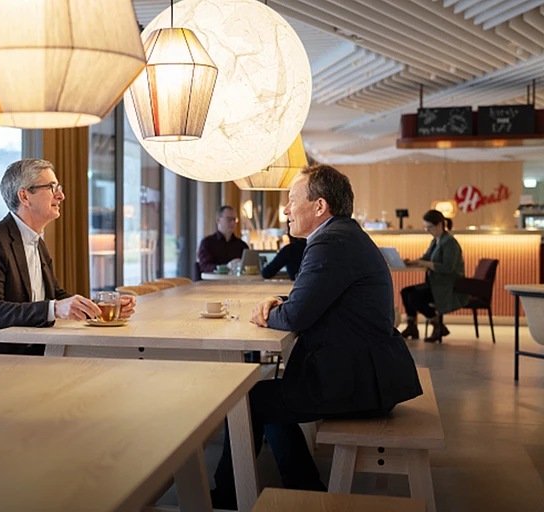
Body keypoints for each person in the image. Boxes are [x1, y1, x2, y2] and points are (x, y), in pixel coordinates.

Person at [210, 164, 422, 509]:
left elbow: (296, 315)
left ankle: (231, 496)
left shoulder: (331, 242)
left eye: (293, 201)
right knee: (268, 396)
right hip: (370, 373)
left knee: (246, 399)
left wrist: (268, 313)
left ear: (320, 206)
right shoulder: (341, 235)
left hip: (361, 381)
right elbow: (307, 299)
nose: (287, 210)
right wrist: (277, 302)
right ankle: (302, 486)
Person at [0, 158, 136, 354]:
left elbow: (54, 296)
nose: (61, 196)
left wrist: (101, 308)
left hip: (28, 354)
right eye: (51, 187)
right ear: (24, 197)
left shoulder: (38, 242)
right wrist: (54, 309)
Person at [400, 210, 469, 343]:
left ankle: (438, 326)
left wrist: (424, 263)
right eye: (426, 227)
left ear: (439, 225)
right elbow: (426, 258)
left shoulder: (449, 243)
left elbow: (448, 268)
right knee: (406, 292)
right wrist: (413, 262)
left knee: (415, 297)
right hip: (436, 283)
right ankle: (412, 327)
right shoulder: (435, 241)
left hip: (447, 286)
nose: (428, 230)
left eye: (430, 227)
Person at [197, 205, 249, 273]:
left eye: (234, 220)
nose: (233, 223)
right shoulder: (207, 243)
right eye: (229, 219)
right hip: (214, 282)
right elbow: (205, 266)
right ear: (218, 220)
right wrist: (227, 267)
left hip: (237, 282)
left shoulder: (242, 245)